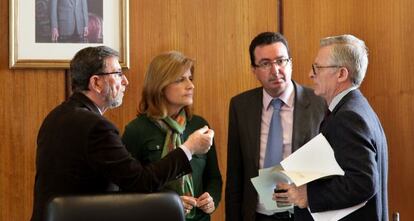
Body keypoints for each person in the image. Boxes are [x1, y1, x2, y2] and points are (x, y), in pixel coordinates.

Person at [31, 46, 214, 221]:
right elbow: (140, 182)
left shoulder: (55, 116)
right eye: (118, 74)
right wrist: (188, 149)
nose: (125, 81)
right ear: (96, 82)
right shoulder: (97, 127)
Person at [275, 34, 388, 221]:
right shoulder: (355, 107)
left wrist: (307, 195)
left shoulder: (349, 117)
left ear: (341, 74)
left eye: (317, 68)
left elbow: (363, 183)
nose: (311, 74)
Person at [225, 32, 325, 221]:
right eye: (265, 63)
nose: (275, 70)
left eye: (281, 61)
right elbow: (235, 174)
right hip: (257, 214)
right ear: (253, 70)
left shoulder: (319, 102)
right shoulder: (241, 106)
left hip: (304, 214)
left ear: (291, 63)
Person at [122, 51, 222, 221]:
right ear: (160, 86)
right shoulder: (136, 130)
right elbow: (129, 190)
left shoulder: (199, 125)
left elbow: (213, 177)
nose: (191, 85)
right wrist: (168, 204)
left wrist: (211, 199)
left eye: (190, 78)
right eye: (180, 79)